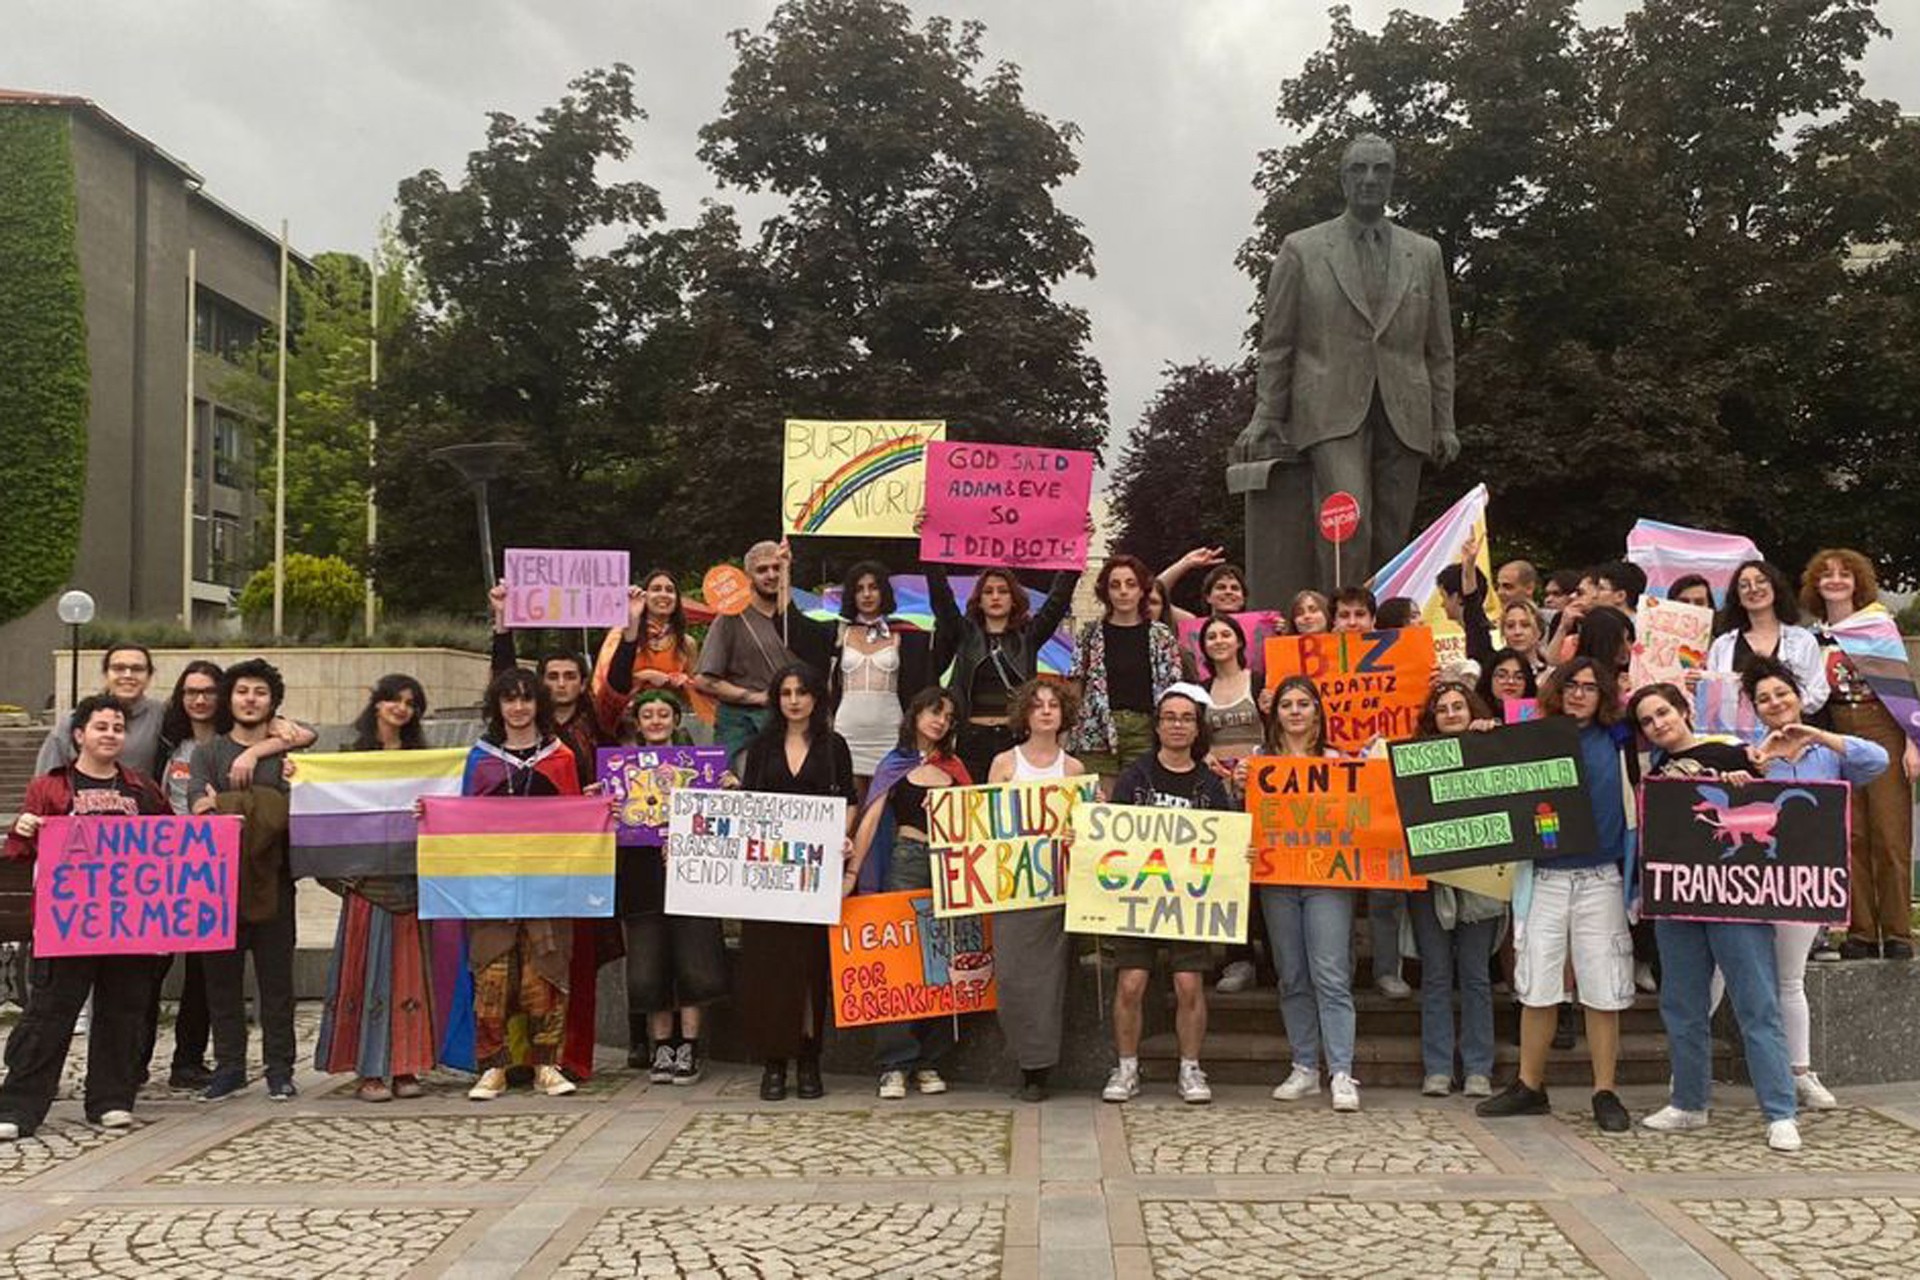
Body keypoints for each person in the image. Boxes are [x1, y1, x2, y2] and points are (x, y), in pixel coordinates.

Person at [1233, 132, 1459, 589]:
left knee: (1394, 533)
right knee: (1347, 516)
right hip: (1330, 407)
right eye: (1359, 169)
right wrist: (1267, 413)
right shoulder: (1303, 249)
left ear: (1393, 179)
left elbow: (1439, 350)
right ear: (1342, 178)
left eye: (1381, 169)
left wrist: (1444, 422)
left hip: (1405, 409)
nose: (1370, 179)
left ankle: (1388, 627)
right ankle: (1344, 622)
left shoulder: (1426, 253)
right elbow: (1278, 342)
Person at [1628, 683, 1802, 1151]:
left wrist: (1748, 784)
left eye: (1663, 712)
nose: (1658, 723)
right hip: (1678, 899)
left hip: (1736, 899)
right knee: (1682, 1004)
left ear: (1683, 710)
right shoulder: (1656, 770)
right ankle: (1688, 1102)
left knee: (1756, 1003)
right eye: (1647, 720)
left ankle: (1780, 1110)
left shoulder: (1732, 752)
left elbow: (1778, 790)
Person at [1477, 657, 1637, 1132]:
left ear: (1604, 694)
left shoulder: (1622, 739)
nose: (1579, 693)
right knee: (1538, 984)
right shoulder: (1534, 737)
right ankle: (1530, 1084)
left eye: (1590, 686)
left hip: (1600, 877)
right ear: (1557, 689)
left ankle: (1604, 1090)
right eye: (1571, 685)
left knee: (1603, 987)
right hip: (1544, 876)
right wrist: (1485, 732)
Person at [0, 697, 171, 1141]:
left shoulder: (143, 789)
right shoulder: (49, 787)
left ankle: (111, 1100)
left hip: (129, 925)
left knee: (123, 1011)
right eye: (101, 727)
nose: (111, 734)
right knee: (50, 1014)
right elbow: (20, 851)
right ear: (79, 735)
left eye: (118, 727)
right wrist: (23, 829)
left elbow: (171, 844)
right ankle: (19, 1106)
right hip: (67, 926)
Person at [1739, 658, 1889, 1110]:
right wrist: (1756, 763)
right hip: (1747, 881)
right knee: (1722, 976)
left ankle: (1800, 1073)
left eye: (1781, 694)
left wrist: (1816, 735)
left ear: (1798, 697)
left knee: (1790, 979)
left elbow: (1878, 760)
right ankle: (1686, 1072)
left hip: (1802, 884)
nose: (1775, 703)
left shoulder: (1828, 752)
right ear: (1755, 709)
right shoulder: (1748, 749)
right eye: (1763, 699)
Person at [313, 674, 444, 1103]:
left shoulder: (425, 761)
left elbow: (441, 811)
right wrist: (302, 774)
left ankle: (406, 1066)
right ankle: (369, 1070)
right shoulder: (351, 757)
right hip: (365, 881)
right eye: (394, 700)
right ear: (377, 704)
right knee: (366, 976)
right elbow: (328, 810)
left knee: (408, 976)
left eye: (410, 702)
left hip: (408, 879)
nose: (401, 708)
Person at [1103, 684, 1232, 1106]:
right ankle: (1125, 1067)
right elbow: (1111, 837)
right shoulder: (1134, 777)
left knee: (1188, 984)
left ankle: (1190, 1068)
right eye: (1170, 718)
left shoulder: (1210, 785)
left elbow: (1225, 841)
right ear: (1158, 726)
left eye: (1186, 718)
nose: (1178, 725)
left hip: (1188, 902)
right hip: (1138, 900)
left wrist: (1239, 849)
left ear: (1197, 730)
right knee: (1131, 983)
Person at [460, 668, 586, 1102]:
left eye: (526, 699)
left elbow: (575, 820)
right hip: (492, 886)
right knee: (492, 976)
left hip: (546, 886)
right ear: (497, 706)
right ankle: (492, 1067)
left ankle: (547, 1065)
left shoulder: (561, 758)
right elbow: (463, 819)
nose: (518, 708)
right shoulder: (480, 760)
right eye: (509, 700)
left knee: (545, 974)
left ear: (539, 704)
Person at [737, 663, 857, 1101]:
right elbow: (747, 807)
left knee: (810, 969)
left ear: (815, 698)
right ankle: (774, 1062)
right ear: (777, 699)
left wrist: (841, 840)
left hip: (814, 876)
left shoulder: (834, 747)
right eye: (786, 692)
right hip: (768, 880)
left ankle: (809, 1057)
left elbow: (848, 800)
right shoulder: (761, 746)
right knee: (768, 968)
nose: (793, 700)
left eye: (801, 692)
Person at [847, 687, 971, 1098]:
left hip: (949, 869)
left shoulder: (956, 768)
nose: (940, 720)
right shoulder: (893, 764)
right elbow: (871, 818)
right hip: (907, 861)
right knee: (900, 963)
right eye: (934, 711)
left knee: (943, 962)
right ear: (915, 713)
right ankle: (894, 1063)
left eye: (948, 716)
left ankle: (930, 1060)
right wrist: (851, 876)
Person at [191, 659, 305, 1103]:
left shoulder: (289, 754)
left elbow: (292, 813)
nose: (250, 699)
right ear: (230, 699)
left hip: (276, 880)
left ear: (273, 701)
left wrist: (233, 803)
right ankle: (229, 1067)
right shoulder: (208, 752)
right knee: (222, 983)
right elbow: (199, 809)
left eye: (260, 692)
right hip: (218, 883)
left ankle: (280, 1068)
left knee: (277, 984)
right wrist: (260, 803)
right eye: (242, 691)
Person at [1801, 548, 1920, 960]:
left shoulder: (1877, 626)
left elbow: (1903, 691)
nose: (1835, 580)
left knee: (1890, 833)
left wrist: (1911, 742)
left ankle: (1898, 931)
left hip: (1882, 727)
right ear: (1815, 584)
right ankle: (1862, 931)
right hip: (1837, 731)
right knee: (1852, 834)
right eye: (1827, 574)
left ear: (1858, 582)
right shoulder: (1813, 638)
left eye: (1844, 574)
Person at [1252, 676, 1362, 1112]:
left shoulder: (1338, 761)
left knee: (1331, 974)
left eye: (1303, 704)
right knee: (1292, 975)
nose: (1295, 711)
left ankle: (1341, 1071)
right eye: (1287, 705)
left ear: (1317, 711)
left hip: (1327, 879)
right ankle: (1304, 1066)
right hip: (1277, 878)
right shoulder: (1259, 761)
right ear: (1274, 713)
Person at [613, 690, 729, 1085]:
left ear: (676, 720)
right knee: (649, 965)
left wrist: (728, 790)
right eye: (649, 715)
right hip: (641, 876)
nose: (657, 721)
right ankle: (662, 1044)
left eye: (664, 714)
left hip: (691, 873)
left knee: (694, 960)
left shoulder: (700, 767)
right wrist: (604, 805)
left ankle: (690, 1047)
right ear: (638, 722)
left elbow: (718, 821)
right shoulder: (619, 771)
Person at [986, 678, 1088, 1102]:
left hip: (1056, 890)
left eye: (1053, 705)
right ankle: (1023, 1055)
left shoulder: (1074, 770)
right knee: (1010, 979)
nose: (1046, 711)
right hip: (1012, 887)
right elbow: (982, 824)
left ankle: (1040, 1069)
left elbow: (1085, 830)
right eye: (1038, 705)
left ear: (1063, 714)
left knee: (1049, 982)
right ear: (1025, 714)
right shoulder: (1004, 763)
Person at [1408, 681, 1505, 1098]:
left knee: (1476, 975)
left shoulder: (1490, 746)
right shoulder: (1415, 758)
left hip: (1482, 880)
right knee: (1436, 975)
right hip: (1431, 882)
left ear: (1472, 711)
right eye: (1442, 708)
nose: (1450, 713)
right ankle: (1438, 1068)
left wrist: (1494, 739)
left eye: (1458, 707)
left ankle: (1479, 1067)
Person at [928, 561, 1078, 784]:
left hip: (1014, 738)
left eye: (1003, 591)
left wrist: (1073, 562)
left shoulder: (1028, 636)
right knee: (973, 809)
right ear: (979, 601)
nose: (995, 597)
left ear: (1014, 599)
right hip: (972, 738)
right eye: (988, 592)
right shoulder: (965, 634)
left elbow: (1056, 603)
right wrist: (931, 557)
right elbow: (942, 600)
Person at [1328, 587, 1408, 999]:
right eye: (1345, 614)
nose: (1353, 622)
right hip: (1333, 794)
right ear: (1334, 622)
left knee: (1385, 890)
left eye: (1361, 614)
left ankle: (1387, 969)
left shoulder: (1400, 665)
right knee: (1337, 888)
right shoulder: (1315, 672)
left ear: (1374, 622)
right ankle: (1340, 965)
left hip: (1385, 792)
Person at [694, 541, 836, 761]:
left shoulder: (809, 614)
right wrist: (756, 697)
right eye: (762, 570)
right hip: (745, 725)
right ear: (748, 576)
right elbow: (704, 680)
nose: (771, 575)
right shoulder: (731, 618)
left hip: (800, 724)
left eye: (777, 567)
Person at [1067, 555, 1183, 788]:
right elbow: (1076, 687)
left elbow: (1174, 689)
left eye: (1131, 584)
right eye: (1115, 585)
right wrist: (1067, 732)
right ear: (1105, 592)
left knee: (1138, 807)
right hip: (1096, 730)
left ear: (1142, 591)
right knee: (1100, 807)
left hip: (1145, 729)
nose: (1123, 591)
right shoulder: (1089, 635)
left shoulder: (1160, 635)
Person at [1200, 615, 1265, 995]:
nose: (1219, 640)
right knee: (1230, 873)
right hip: (1219, 791)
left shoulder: (1259, 682)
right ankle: (1237, 958)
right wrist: (1206, 755)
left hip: (1259, 788)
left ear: (1240, 641)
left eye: (1226, 634)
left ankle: (1270, 956)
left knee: (1262, 869)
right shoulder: (1201, 688)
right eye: (1211, 636)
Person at [830, 561, 936, 792]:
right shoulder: (838, 633)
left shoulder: (908, 634)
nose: (867, 594)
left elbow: (922, 686)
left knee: (885, 807)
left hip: (890, 730)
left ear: (884, 592)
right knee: (850, 803)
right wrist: (786, 570)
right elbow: (793, 628)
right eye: (859, 589)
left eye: (873, 587)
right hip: (847, 730)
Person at [490, 585, 604, 791]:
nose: (561, 684)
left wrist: (631, 626)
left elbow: (618, 686)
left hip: (588, 818)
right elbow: (504, 680)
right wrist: (502, 618)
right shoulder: (527, 724)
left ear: (583, 684)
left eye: (569, 676)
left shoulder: (599, 721)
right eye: (553, 676)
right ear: (540, 683)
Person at [593, 570, 712, 734]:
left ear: (677, 600)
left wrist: (681, 683)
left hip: (667, 726)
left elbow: (694, 698)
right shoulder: (623, 634)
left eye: (670, 590)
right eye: (656, 589)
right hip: (626, 726)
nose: (663, 594)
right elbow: (609, 682)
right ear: (644, 596)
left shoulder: (686, 643)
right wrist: (646, 676)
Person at [1704, 560, 1828, 715]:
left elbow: (1818, 692)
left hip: (1792, 730)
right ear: (1738, 597)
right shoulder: (1722, 645)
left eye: (1761, 581)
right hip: (1736, 733)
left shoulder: (1803, 640)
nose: (1753, 589)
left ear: (1775, 589)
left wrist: (1782, 711)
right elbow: (1712, 693)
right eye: (1744, 585)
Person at [35, 645, 167, 777]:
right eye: (118, 668)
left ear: (149, 676)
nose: (128, 675)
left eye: (137, 669)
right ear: (106, 674)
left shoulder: (162, 716)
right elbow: (46, 777)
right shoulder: (72, 721)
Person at [1155, 548, 1250, 625]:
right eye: (1221, 587)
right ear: (1208, 597)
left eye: (1235, 588)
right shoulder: (1193, 625)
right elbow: (1154, 594)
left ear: (1243, 598)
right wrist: (1186, 563)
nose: (1228, 592)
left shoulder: (1260, 628)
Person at [1500, 600, 1550, 672]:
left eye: (1525, 625)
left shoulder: (1552, 675)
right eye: (1510, 626)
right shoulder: (1491, 671)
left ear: (1539, 631)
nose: (1517, 632)